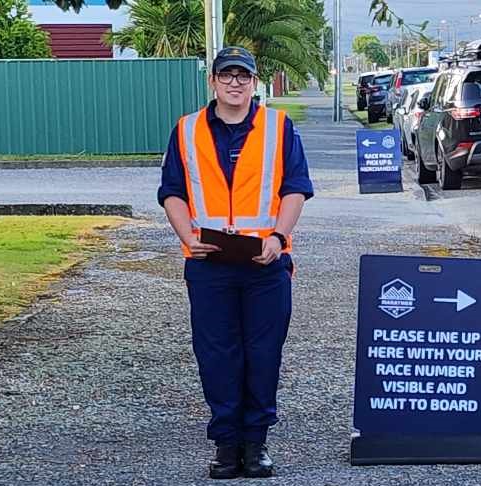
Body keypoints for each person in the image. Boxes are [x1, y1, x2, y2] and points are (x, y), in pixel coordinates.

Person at [155, 46, 314, 480]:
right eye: (226, 75)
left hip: (266, 263)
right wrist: (186, 235)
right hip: (209, 264)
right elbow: (172, 192)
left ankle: (256, 445)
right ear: (212, 81)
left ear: (254, 82)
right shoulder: (187, 130)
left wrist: (279, 238)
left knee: (262, 354)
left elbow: (295, 189)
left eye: (243, 76)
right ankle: (226, 447)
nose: (234, 83)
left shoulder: (279, 127)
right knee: (217, 354)